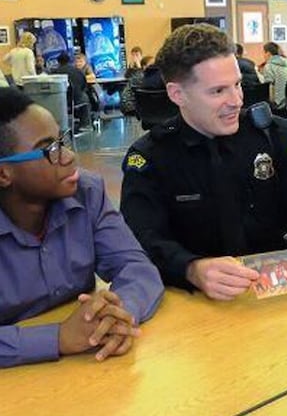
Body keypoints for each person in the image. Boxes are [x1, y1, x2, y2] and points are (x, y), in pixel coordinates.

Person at [120, 24, 287, 300]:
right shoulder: (151, 159)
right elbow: (140, 240)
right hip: (198, 307)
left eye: (237, 85)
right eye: (218, 91)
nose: (236, 101)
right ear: (177, 94)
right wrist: (190, 268)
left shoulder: (276, 135)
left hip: (285, 296)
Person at [0, 87, 164, 368]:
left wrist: (118, 314)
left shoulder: (87, 192)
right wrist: (58, 337)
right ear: (4, 173)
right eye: (49, 149)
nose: (69, 157)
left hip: (84, 369)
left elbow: (136, 267)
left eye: (63, 140)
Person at [50, 52, 92, 130]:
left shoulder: (54, 73)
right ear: (70, 60)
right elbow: (84, 85)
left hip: (60, 100)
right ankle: (85, 124)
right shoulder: (77, 71)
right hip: (77, 98)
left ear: (58, 61)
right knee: (85, 97)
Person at [260, 41, 287, 112]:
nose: (263, 56)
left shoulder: (269, 66)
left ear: (268, 53)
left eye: (263, 53)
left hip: (281, 103)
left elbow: (268, 88)